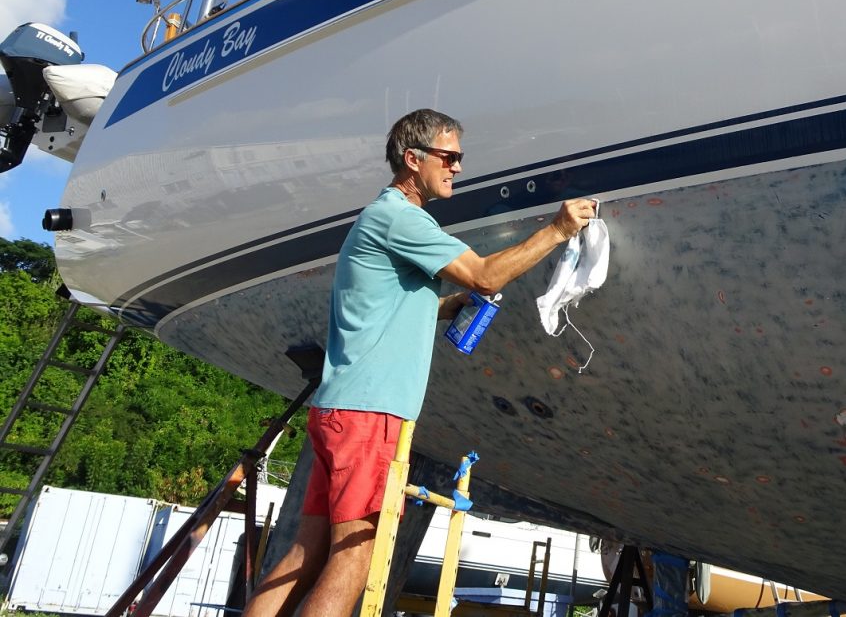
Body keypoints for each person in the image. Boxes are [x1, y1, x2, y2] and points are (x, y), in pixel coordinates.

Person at [244, 109, 596, 617]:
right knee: (356, 556)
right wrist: (558, 230)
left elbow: (379, 307)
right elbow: (484, 275)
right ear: (413, 159)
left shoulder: (379, 218)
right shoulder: (402, 218)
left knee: (305, 553)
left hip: (340, 409)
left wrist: (444, 307)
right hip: (370, 415)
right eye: (448, 157)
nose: (457, 168)